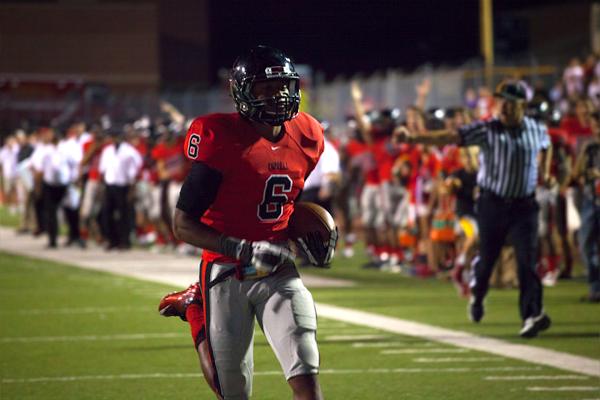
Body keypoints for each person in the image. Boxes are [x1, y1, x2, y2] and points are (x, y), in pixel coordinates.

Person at [158, 46, 335, 400]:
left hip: (277, 268)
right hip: (226, 268)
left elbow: (285, 199)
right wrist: (244, 248)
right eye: (264, 89)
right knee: (232, 390)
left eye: (282, 86)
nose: (277, 96)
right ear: (241, 92)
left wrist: (304, 234)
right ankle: (195, 310)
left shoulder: (308, 134)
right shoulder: (220, 136)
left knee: (306, 372)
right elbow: (183, 224)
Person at [394, 80, 553, 338]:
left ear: (522, 105)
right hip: (493, 204)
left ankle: (531, 315)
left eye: (509, 103)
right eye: (500, 101)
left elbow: (546, 145)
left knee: (528, 261)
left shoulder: (537, 129)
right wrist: (414, 138)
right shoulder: (487, 129)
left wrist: (544, 171)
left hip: (525, 205)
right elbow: (451, 136)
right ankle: (477, 294)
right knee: (487, 260)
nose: (503, 107)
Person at [572, 112, 600, 302]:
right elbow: (576, 173)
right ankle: (594, 288)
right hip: (591, 201)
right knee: (585, 244)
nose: (596, 129)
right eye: (594, 125)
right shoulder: (589, 147)